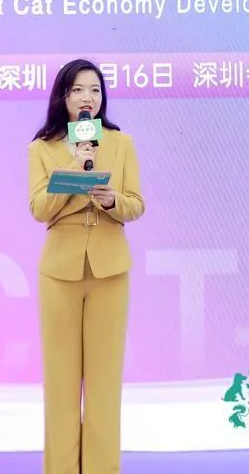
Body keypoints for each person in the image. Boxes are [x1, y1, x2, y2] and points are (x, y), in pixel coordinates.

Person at [28, 58, 146, 474]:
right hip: (59, 272)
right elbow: (39, 208)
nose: (87, 98)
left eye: (95, 90)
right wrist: (74, 170)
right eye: (78, 89)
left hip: (110, 271)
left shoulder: (121, 143)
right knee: (60, 385)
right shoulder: (41, 149)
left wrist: (114, 201)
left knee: (104, 386)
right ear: (63, 97)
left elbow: (137, 204)